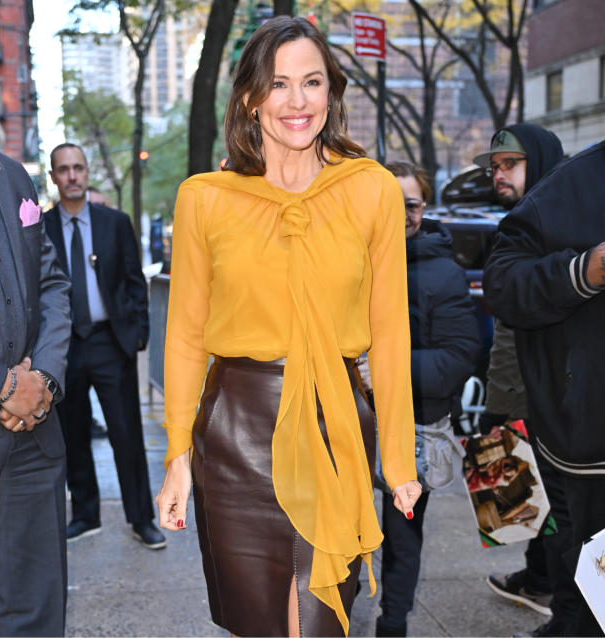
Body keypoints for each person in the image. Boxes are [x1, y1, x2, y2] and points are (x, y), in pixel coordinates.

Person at [156, 16, 421, 637]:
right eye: (278, 84)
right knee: (258, 627)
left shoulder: (371, 190)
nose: (297, 102)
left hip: (335, 428)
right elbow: (187, 335)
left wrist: (399, 459)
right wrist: (176, 456)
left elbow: (390, 331)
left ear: (332, 92)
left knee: (319, 624)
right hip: (235, 434)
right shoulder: (205, 198)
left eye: (313, 82)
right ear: (250, 96)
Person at [0, 40, 71, 635]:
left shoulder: (10, 175)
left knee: (35, 616)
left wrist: (44, 382)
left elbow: (54, 284)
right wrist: (2, 386)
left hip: (33, 441)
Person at [484, 139, 605, 637]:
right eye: (495, 166)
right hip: (545, 412)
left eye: (510, 163)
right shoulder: (562, 197)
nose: (499, 175)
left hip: (547, 407)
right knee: (531, 517)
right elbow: (505, 296)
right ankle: (542, 588)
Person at [374, 161, 480, 637]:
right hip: (352, 424)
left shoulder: (444, 274)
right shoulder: (353, 260)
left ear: (424, 206)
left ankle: (392, 623)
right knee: (346, 536)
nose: (399, 213)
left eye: (410, 203)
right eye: (388, 202)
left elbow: (458, 357)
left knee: (403, 537)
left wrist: (381, 369)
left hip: (416, 430)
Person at [45, 143, 166, 550]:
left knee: (127, 433)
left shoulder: (114, 222)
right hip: (64, 347)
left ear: (88, 172)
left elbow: (135, 282)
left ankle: (142, 519)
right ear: (53, 177)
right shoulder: (39, 229)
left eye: (78, 167)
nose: (72, 175)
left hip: (110, 343)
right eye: (64, 169)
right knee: (72, 432)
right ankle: (85, 514)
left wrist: (138, 335)